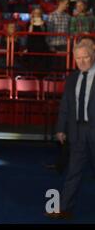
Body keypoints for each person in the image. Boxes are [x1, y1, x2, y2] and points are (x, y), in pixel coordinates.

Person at [46, 41, 95, 219]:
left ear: (93, 56)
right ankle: (65, 208)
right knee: (73, 171)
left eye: (85, 57)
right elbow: (65, 105)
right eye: (78, 58)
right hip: (77, 132)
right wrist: (61, 128)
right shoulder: (72, 78)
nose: (81, 61)